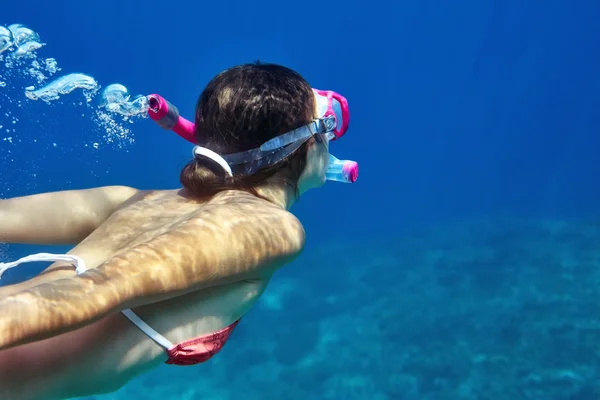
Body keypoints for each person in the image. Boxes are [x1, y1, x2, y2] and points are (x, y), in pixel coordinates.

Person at [0, 62, 357, 400]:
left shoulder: (132, 200)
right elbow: (98, 289)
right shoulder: (271, 226)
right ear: (308, 142)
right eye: (327, 126)